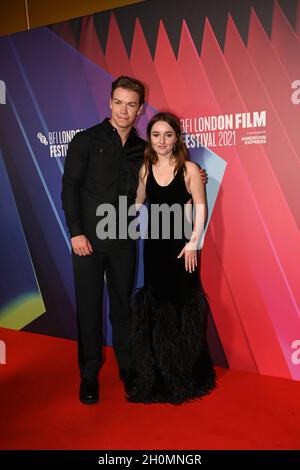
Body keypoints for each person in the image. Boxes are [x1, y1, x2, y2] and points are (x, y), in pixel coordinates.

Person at [62, 76, 207, 405]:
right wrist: (76, 232)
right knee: (88, 309)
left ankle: (128, 369)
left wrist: (197, 177)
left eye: (131, 104)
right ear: (109, 102)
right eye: (118, 101)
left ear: (141, 109)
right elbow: (69, 187)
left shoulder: (145, 150)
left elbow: (170, 178)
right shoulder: (85, 141)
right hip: (88, 240)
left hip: (124, 239)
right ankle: (89, 375)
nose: (124, 109)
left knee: (124, 307)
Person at [128, 112, 216, 404]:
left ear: (177, 137)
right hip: (154, 246)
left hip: (182, 247)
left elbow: (200, 207)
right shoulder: (145, 169)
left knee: (183, 304)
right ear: (149, 139)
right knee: (157, 306)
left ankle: (186, 373)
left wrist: (193, 243)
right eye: (156, 135)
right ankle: (159, 374)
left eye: (168, 134)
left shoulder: (190, 168)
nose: (162, 141)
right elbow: (139, 202)